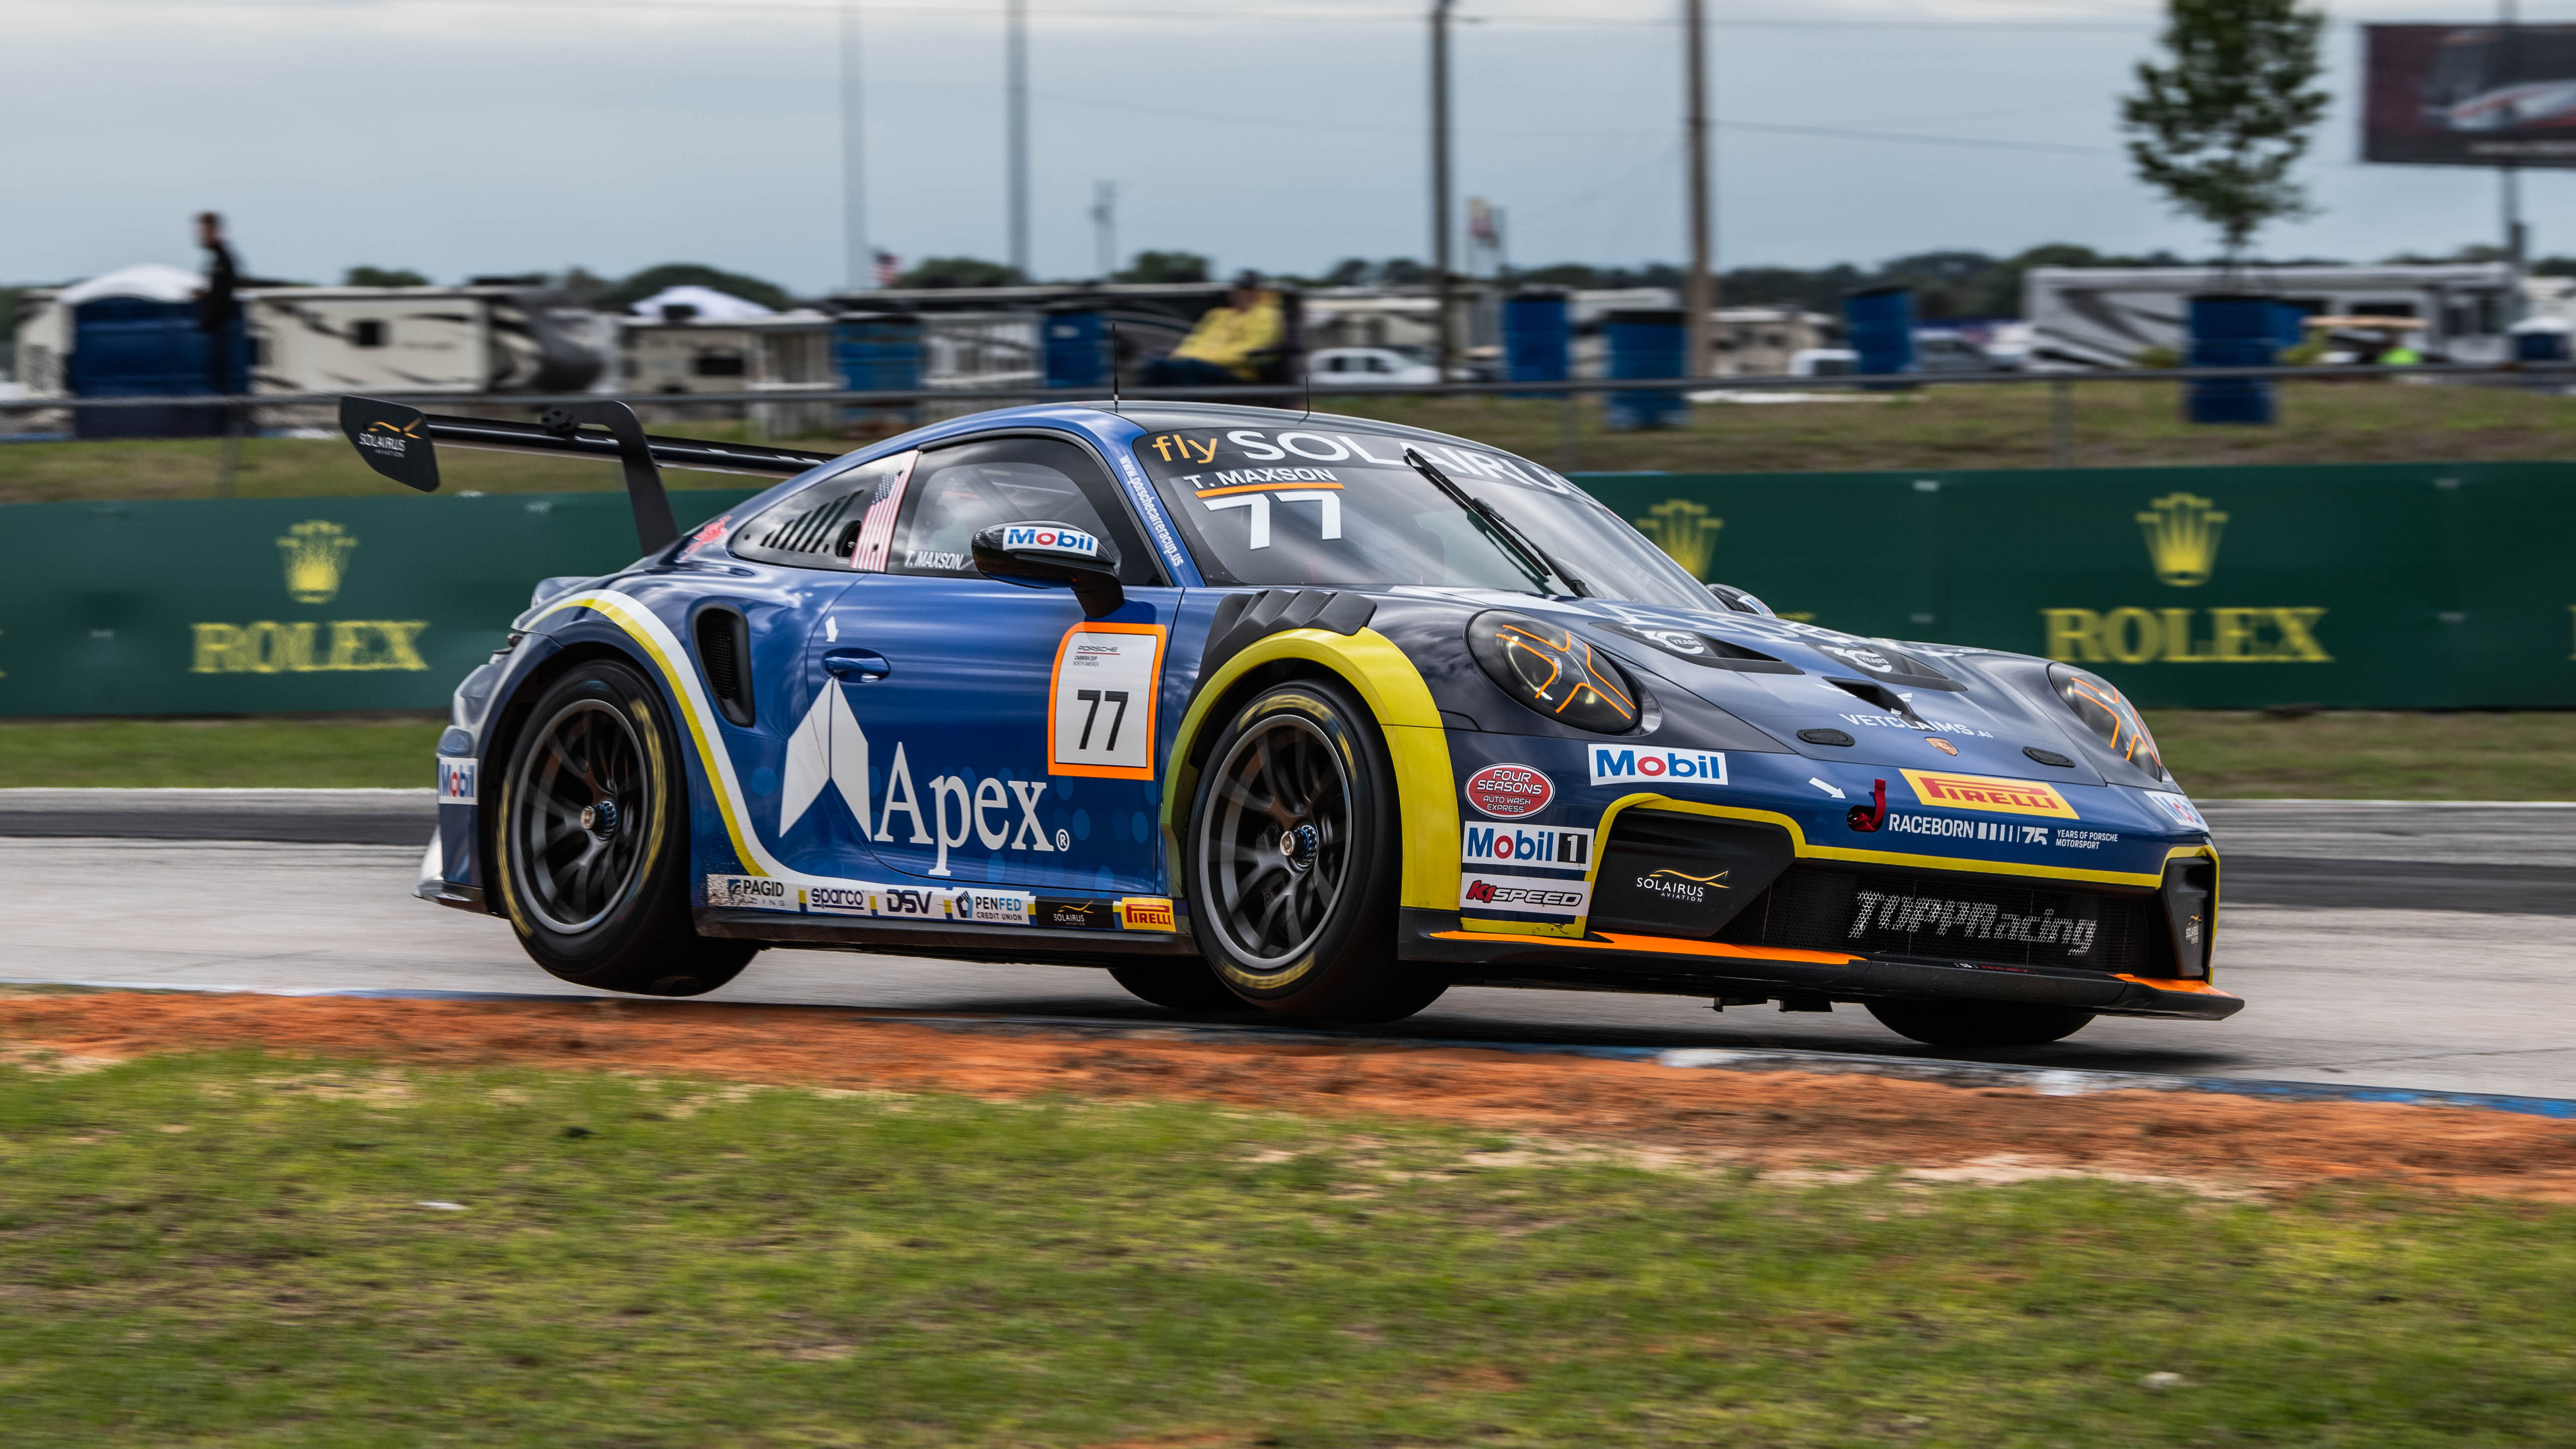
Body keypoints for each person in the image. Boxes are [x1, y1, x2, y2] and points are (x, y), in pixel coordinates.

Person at [1143, 271, 1282, 388]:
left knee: (1185, 368)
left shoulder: (1266, 315)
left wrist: (1202, 358)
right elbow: (1194, 341)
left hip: (1236, 371)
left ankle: (1187, 413)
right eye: (1239, 290)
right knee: (1156, 365)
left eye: (1248, 290)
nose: (1242, 294)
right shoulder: (1217, 315)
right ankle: (1155, 412)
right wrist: (1182, 355)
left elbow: (1249, 351)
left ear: (1258, 293)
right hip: (1201, 364)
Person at [194, 211, 241, 395]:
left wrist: (205, 325)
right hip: (219, 332)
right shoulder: (218, 259)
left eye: (204, 231)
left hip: (220, 334)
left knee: (221, 388)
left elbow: (222, 300)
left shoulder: (223, 260)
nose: (201, 236)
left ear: (214, 231)